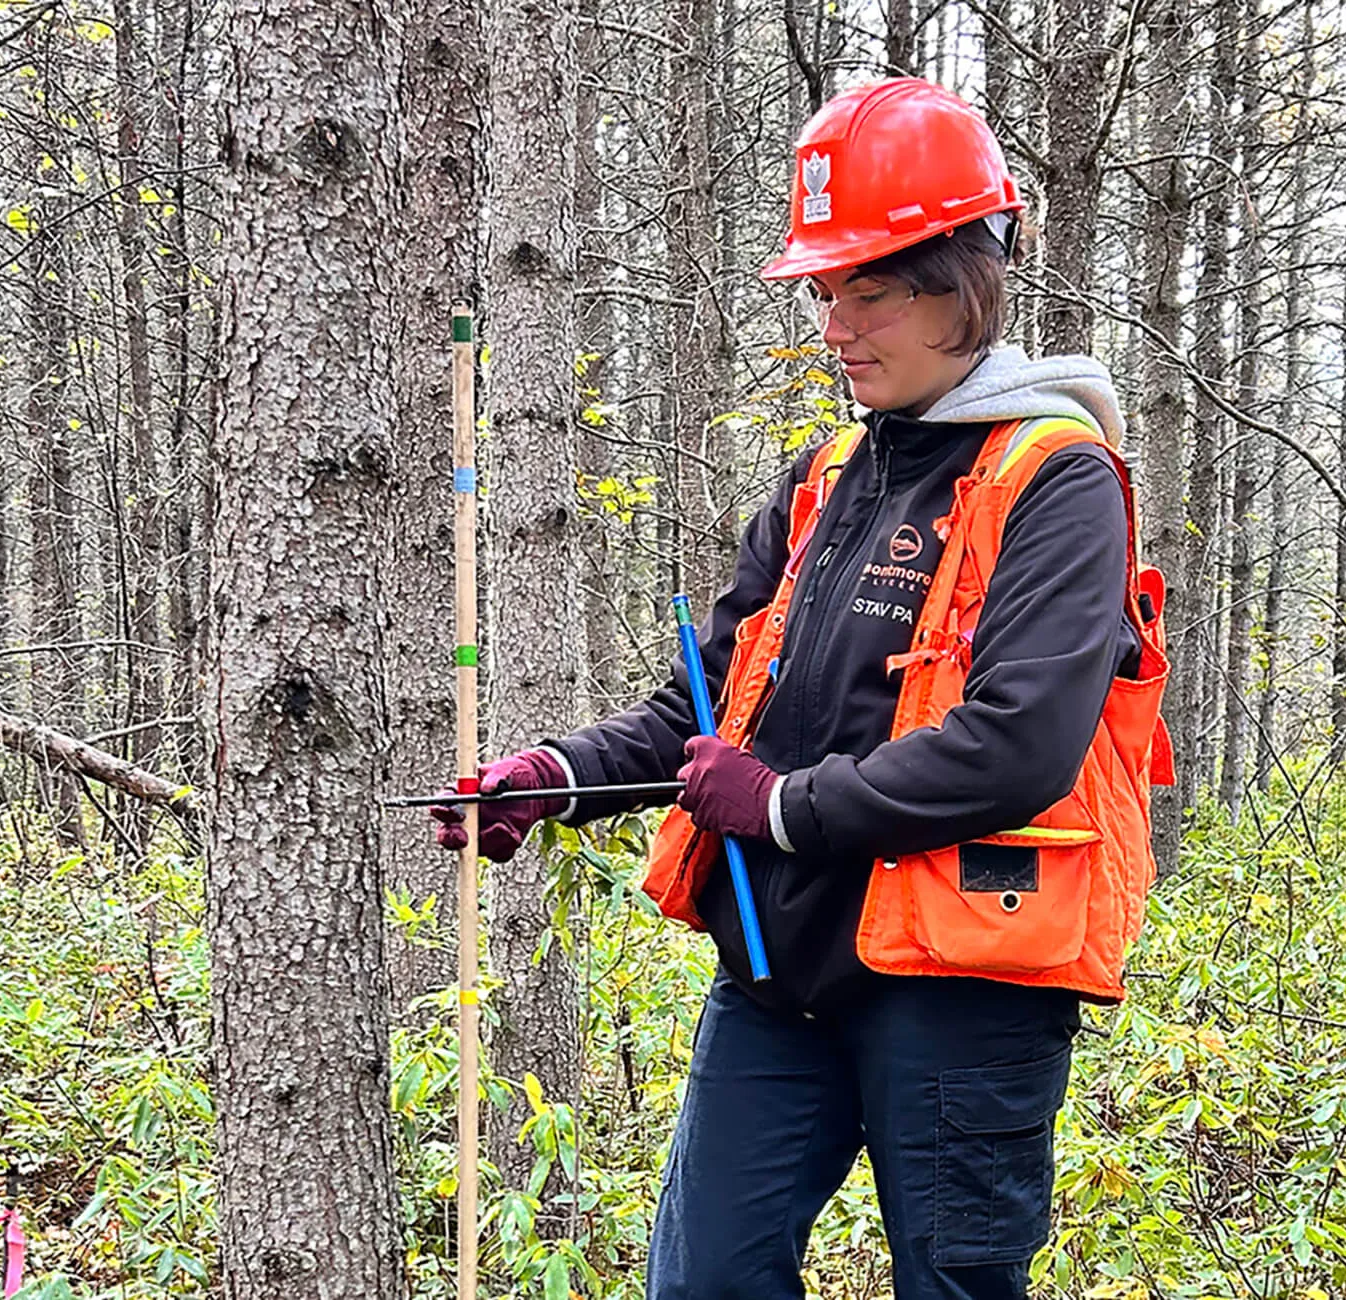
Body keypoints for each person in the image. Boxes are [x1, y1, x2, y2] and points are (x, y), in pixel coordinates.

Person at [433, 77, 1170, 1300]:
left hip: (959, 992)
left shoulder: (1056, 477)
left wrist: (774, 806)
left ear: (965, 277)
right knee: (706, 1280)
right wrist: (556, 779)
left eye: (869, 286)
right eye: (825, 290)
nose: (837, 322)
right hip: (779, 972)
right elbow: (707, 709)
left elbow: (1017, 747)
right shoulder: (825, 478)